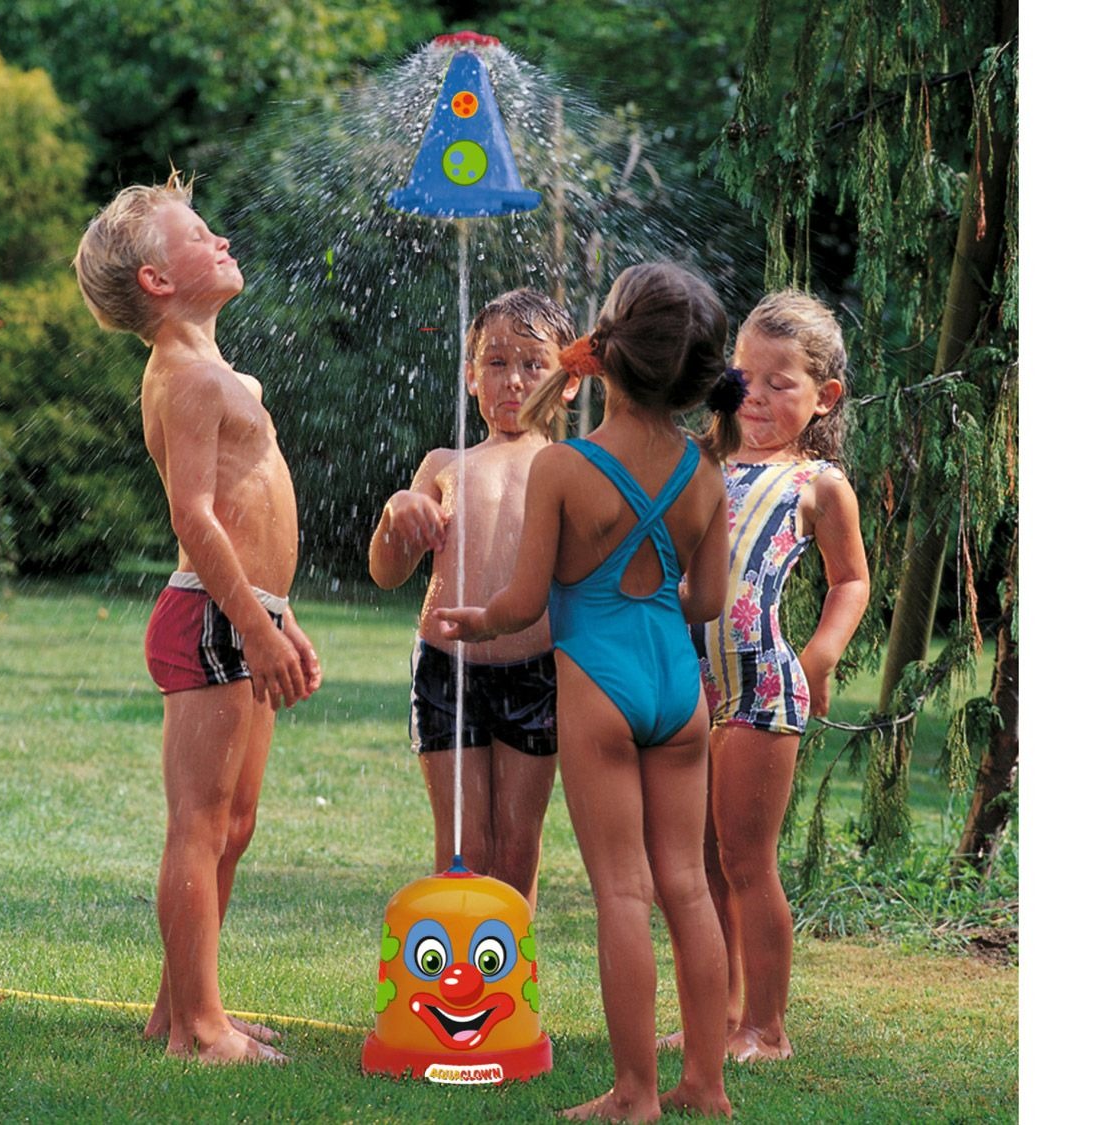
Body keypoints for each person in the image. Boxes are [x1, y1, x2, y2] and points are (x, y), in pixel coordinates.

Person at [437, 262, 744, 1122]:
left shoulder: (565, 467)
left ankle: (636, 1093)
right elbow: (707, 601)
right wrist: (651, 596)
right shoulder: (705, 469)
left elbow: (524, 601)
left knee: (623, 891)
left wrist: (479, 622)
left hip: (598, 687)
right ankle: (706, 1085)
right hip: (677, 689)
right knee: (688, 885)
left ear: (602, 355)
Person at [73, 171, 321, 1065]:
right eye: (199, 234)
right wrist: (253, 624)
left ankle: (179, 1005)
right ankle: (199, 1031)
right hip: (214, 617)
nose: (221, 240)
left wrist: (281, 617)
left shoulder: (223, 374)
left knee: (235, 823)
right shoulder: (183, 377)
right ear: (157, 279)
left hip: (248, 613)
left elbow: (254, 518)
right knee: (200, 824)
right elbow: (196, 518)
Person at [688, 289, 871, 1062]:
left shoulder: (817, 483)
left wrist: (818, 657)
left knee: (745, 859)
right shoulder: (702, 461)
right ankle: (720, 1014)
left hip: (761, 683)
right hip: (690, 684)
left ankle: (767, 1026)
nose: (755, 395)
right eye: (744, 376)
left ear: (824, 395)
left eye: (778, 382)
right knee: (700, 859)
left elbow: (850, 580)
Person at [369, 289, 577, 908]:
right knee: (462, 847)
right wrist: (397, 513)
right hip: (445, 670)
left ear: (568, 382)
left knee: (517, 846)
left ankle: (509, 965)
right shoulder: (444, 464)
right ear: (470, 376)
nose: (513, 380)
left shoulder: (570, 467)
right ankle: (457, 961)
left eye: (533, 364)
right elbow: (387, 573)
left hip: (535, 672)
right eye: (496, 362)